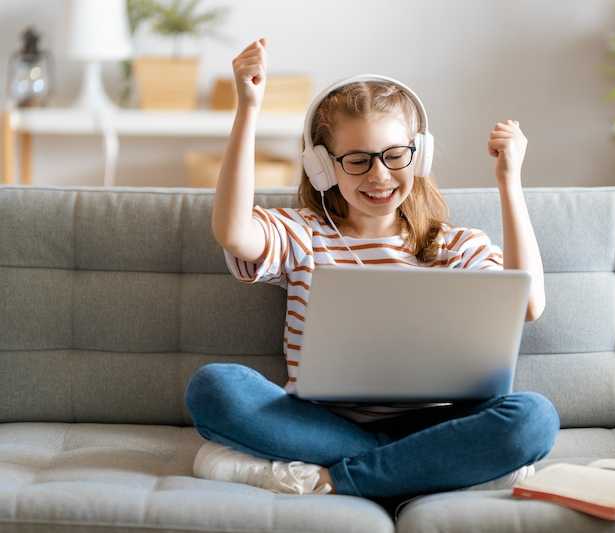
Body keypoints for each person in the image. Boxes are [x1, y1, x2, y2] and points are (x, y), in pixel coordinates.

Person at [185, 37, 559, 504]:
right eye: (358, 161)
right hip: (324, 424)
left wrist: (509, 182)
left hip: (441, 418)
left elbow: (529, 305)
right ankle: (423, 466)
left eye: (394, 155)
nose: (379, 176)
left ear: (417, 156)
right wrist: (248, 109)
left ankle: (340, 479)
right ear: (323, 167)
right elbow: (234, 231)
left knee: (534, 418)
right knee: (215, 388)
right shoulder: (303, 234)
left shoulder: (455, 244)